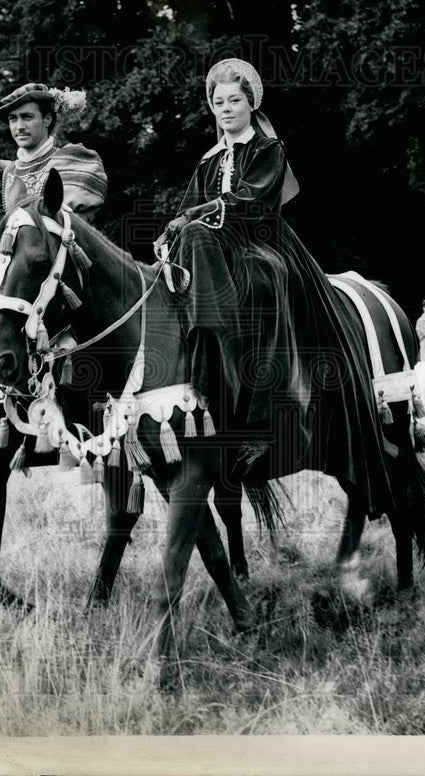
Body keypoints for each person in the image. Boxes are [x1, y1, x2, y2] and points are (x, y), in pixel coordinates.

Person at [159, 58, 394, 511]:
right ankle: (199, 379)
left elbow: (252, 200)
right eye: (218, 102)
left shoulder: (268, 148)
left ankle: (260, 412)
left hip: (260, 241)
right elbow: (189, 208)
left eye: (234, 100)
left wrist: (193, 217)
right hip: (213, 250)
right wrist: (174, 228)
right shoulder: (208, 160)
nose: (226, 109)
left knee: (262, 285)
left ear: (250, 104)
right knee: (175, 274)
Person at [0, 82, 107, 231]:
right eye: (13, 119)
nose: (19, 127)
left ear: (47, 119)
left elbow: (76, 228)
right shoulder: (5, 173)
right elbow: (0, 233)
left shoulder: (72, 162)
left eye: (27, 117)